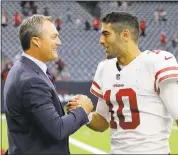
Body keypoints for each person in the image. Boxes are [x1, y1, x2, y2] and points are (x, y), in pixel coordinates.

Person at [67, 12, 178, 154]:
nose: (101, 40)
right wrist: (84, 114)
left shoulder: (157, 62)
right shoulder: (104, 68)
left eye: (106, 34)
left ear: (125, 35)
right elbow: (102, 122)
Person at [3, 14, 93, 154]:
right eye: (54, 37)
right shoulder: (32, 80)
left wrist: (67, 112)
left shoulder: (22, 69)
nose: (59, 42)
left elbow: (36, 121)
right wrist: (84, 110)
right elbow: (58, 129)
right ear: (36, 41)